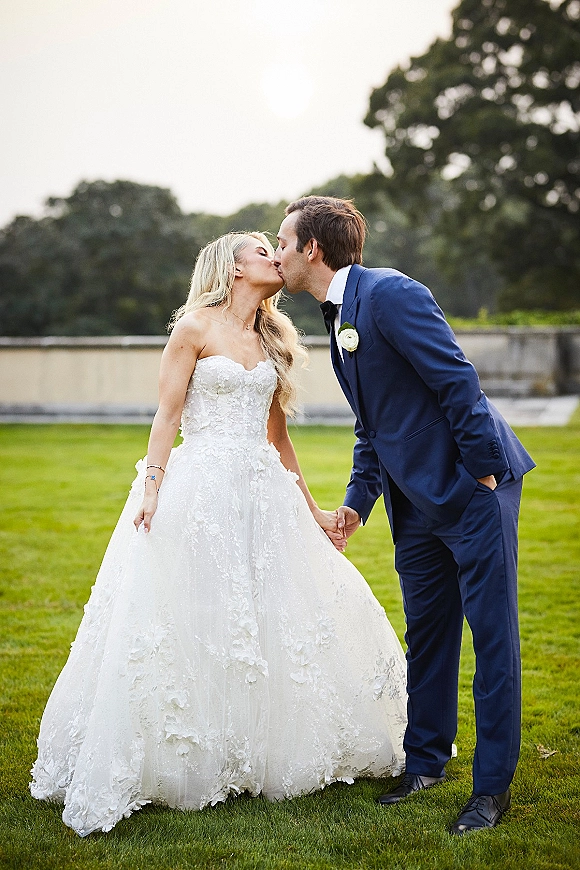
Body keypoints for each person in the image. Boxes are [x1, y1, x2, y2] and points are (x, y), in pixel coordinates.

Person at [30, 231, 407, 837]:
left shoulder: (273, 338)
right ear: (233, 268)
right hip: (201, 486)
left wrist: (310, 508)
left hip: (261, 490)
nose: (275, 256)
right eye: (263, 250)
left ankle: (258, 746)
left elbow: (278, 438)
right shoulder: (195, 329)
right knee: (194, 613)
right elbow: (168, 413)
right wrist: (153, 485)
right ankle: (185, 752)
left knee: (269, 613)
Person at [274, 197, 535, 836]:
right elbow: (375, 426)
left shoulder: (390, 294)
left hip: (474, 489)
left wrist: (482, 470)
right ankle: (424, 763)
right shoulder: (340, 320)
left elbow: (457, 382)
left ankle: (492, 788)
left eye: (282, 242)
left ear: (312, 249)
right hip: (411, 504)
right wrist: (357, 507)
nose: (274, 252)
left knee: (492, 634)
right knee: (428, 630)